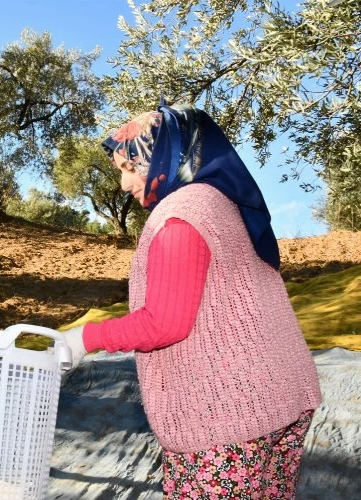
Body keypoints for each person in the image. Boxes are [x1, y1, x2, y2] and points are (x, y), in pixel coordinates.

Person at [62, 103, 322, 498]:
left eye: (129, 168)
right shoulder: (221, 203)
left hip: (226, 424)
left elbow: (164, 323)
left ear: (167, 155)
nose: (123, 185)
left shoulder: (179, 217)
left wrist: (81, 340)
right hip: (277, 401)